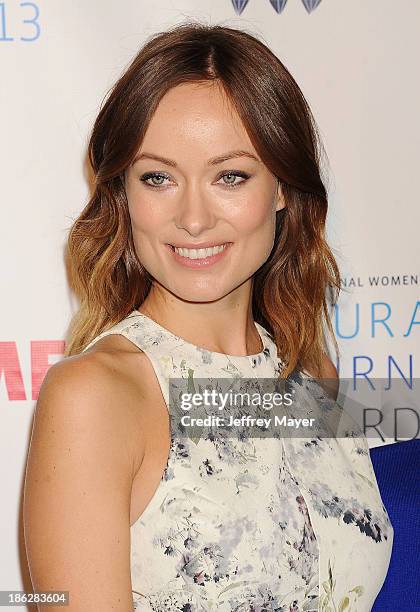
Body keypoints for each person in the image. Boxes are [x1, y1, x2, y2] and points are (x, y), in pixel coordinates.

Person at [23, 21, 393, 611]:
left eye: (230, 176)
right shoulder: (97, 396)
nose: (193, 219)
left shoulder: (310, 373)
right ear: (124, 194)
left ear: (281, 189)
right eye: (158, 178)